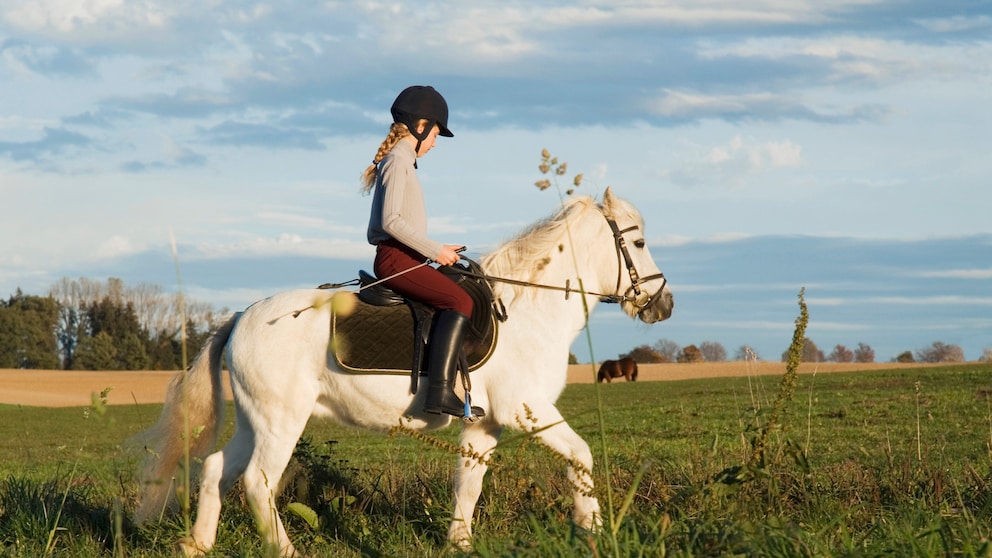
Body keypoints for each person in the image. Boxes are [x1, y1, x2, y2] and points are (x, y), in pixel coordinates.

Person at [362, 85, 484, 419]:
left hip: (406, 256)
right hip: (396, 259)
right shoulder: (399, 161)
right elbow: (391, 221)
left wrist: (439, 250)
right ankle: (440, 392)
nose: (434, 143)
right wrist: (435, 249)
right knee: (461, 301)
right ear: (420, 126)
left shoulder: (401, 161)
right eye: (435, 135)